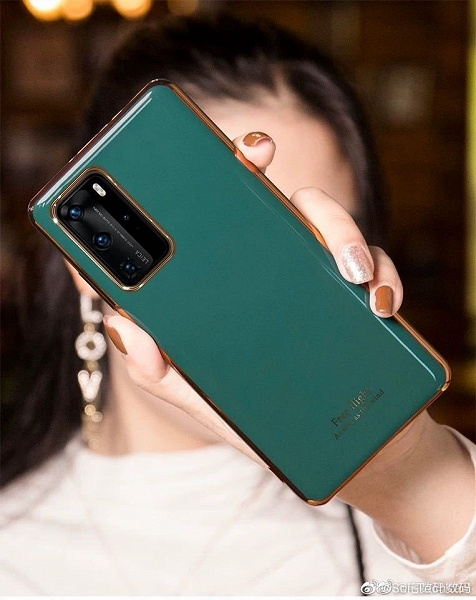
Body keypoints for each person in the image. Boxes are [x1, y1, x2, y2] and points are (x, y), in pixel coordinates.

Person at [1, 13, 475, 596]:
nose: (272, 296)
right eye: (226, 237)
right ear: (85, 263)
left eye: (305, 248)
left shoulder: (418, 542)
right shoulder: (14, 551)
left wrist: (413, 479)